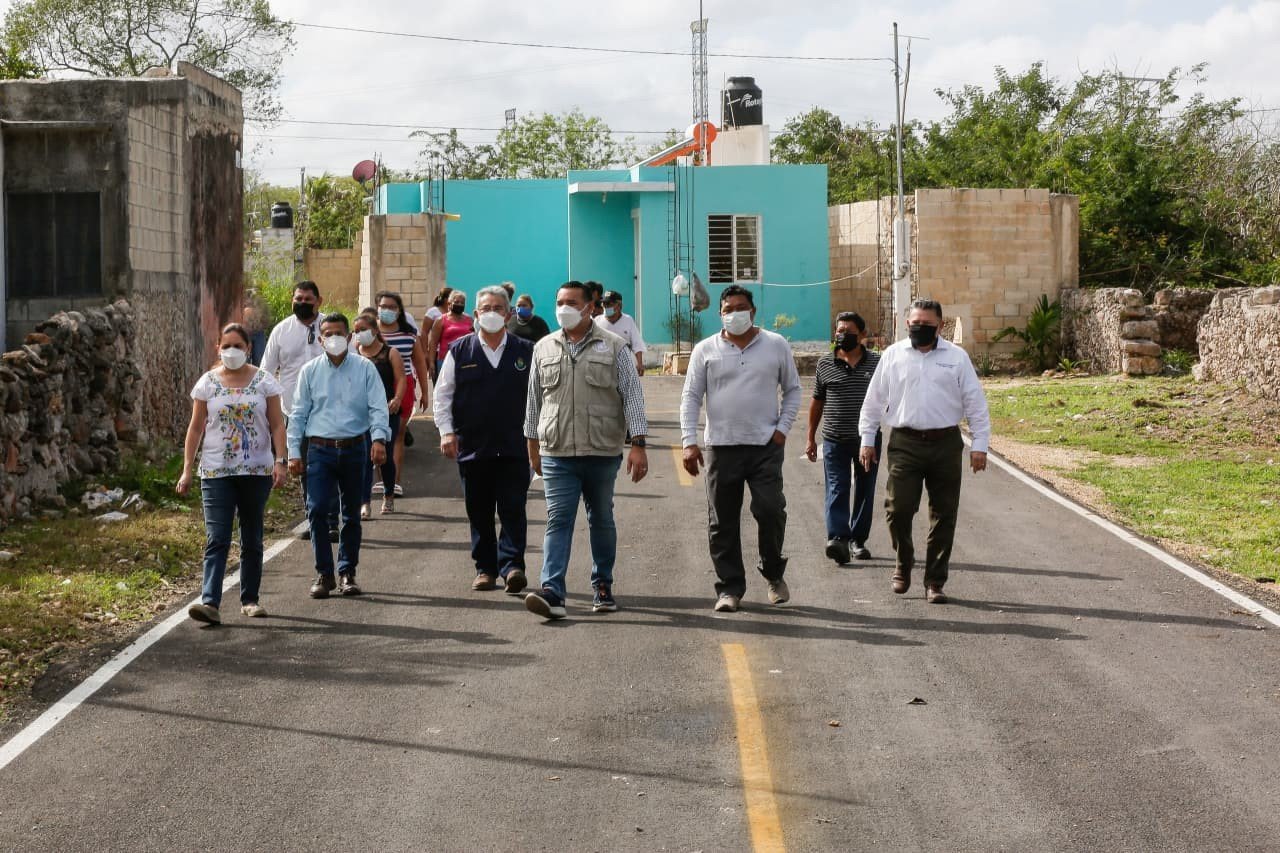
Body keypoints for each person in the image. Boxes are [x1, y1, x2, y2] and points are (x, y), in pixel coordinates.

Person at [523, 280, 649, 620]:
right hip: (557, 451)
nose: (564, 307)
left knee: (601, 519)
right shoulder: (544, 348)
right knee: (558, 519)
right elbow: (534, 402)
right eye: (559, 301)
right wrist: (532, 446)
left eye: (572, 302)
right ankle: (552, 591)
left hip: (601, 450)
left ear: (589, 307)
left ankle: (603, 585)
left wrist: (638, 444)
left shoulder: (615, 347)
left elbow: (633, 397)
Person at [858, 298, 991, 604]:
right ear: (907, 324)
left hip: (945, 443)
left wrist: (979, 446)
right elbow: (874, 401)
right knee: (898, 509)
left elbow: (975, 403)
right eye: (915, 324)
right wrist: (867, 439)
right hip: (905, 442)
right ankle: (904, 560)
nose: (919, 329)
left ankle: (935, 580)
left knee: (944, 514)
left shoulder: (956, 358)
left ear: (940, 326)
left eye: (926, 325)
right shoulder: (892, 355)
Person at [680, 285, 802, 613]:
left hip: (765, 446)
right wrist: (689, 442)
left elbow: (792, 390)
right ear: (720, 313)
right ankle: (729, 588)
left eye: (741, 307)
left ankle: (774, 574)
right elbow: (691, 396)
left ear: (753, 311)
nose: (734, 313)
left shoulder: (776, 345)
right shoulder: (705, 350)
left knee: (770, 509)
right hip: (721, 446)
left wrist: (782, 430)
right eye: (728, 308)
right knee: (722, 521)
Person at [177, 323, 288, 624]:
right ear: (218, 348)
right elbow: (196, 427)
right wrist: (187, 470)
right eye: (226, 346)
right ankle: (209, 601)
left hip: (256, 471)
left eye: (238, 346)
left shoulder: (264, 381)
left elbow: (277, 424)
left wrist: (281, 460)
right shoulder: (208, 383)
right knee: (218, 537)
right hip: (216, 472)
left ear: (248, 348)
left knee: (252, 535)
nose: (232, 352)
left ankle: (250, 599)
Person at [434, 286, 534, 594]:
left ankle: (513, 566)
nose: (491, 313)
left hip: (515, 447)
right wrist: (446, 432)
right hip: (473, 447)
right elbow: (443, 395)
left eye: (498, 308)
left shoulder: (526, 350)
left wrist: (540, 439)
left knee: (513, 508)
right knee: (478, 510)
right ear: (476, 315)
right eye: (485, 308)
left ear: (509, 313)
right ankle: (485, 569)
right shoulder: (460, 351)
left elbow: (541, 397)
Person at [287, 313, 391, 599]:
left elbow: (378, 407)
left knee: (352, 515)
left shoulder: (365, 369)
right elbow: (298, 414)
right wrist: (293, 452)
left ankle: (347, 572)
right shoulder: (309, 372)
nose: (333, 338)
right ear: (320, 339)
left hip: (355, 448)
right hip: (319, 450)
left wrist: (379, 439)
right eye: (327, 334)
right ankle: (324, 573)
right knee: (317, 509)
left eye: (338, 333)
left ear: (348, 337)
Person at [260, 281, 334, 541]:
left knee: (329, 465)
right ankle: (312, 517)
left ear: (319, 301)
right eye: (298, 298)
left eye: (308, 299)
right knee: (302, 465)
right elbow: (266, 372)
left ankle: (332, 520)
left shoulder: (330, 328)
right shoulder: (281, 331)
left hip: (329, 411)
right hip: (294, 411)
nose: (302, 303)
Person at [806, 312, 881, 564]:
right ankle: (838, 539)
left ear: (862, 335)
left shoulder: (877, 364)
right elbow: (817, 403)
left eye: (848, 330)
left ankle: (858, 541)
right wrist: (810, 437)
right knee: (837, 488)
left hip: (867, 441)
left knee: (865, 489)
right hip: (834, 440)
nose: (842, 334)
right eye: (839, 330)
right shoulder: (825, 364)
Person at [375, 291, 430, 498]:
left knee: (397, 434)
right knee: (377, 434)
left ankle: (395, 482)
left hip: (403, 387)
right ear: (377, 308)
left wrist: (425, 392)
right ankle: (380, 480)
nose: (387, 310)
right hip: (374, 388)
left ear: (399, 311)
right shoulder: (370, 333)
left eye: (392, 307)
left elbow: (420, 364)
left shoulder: (409, 336)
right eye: (383, 306)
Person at [354, 311, 406, 518]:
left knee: (384, 454)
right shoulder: (355, 353)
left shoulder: (390, 353)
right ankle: (364, 501)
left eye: (364, 330)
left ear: (375, 331)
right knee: (365, 457)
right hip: (361, 413)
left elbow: (401, 378)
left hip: (386, 411)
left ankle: (388, 494)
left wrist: (397, 399)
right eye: (356, 331)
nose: (360, 334)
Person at [595, 290, 646, 376]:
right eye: (604, 304)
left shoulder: (628, 320)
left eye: (609, 304)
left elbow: (637, 344)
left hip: (624, 366)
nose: (606, 307)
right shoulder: (597, 321)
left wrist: (639, 364)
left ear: (619, 305)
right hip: (602, 367)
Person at [427, 290, 473, 379]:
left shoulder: (470, 320)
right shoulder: (441, 320)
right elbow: (433, 343)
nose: (459, 304)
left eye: (462, 303)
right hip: (445, 360)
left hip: (466, 360)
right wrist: (431, 362)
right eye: (456, 302)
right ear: (449, 303)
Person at [419, 286, 454, 350]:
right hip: (436, 351)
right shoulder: (433, 312)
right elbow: (424, 332)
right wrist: (425, 351)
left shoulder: (455, 313)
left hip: (452, 350)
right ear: (446, 299)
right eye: (453, 298)